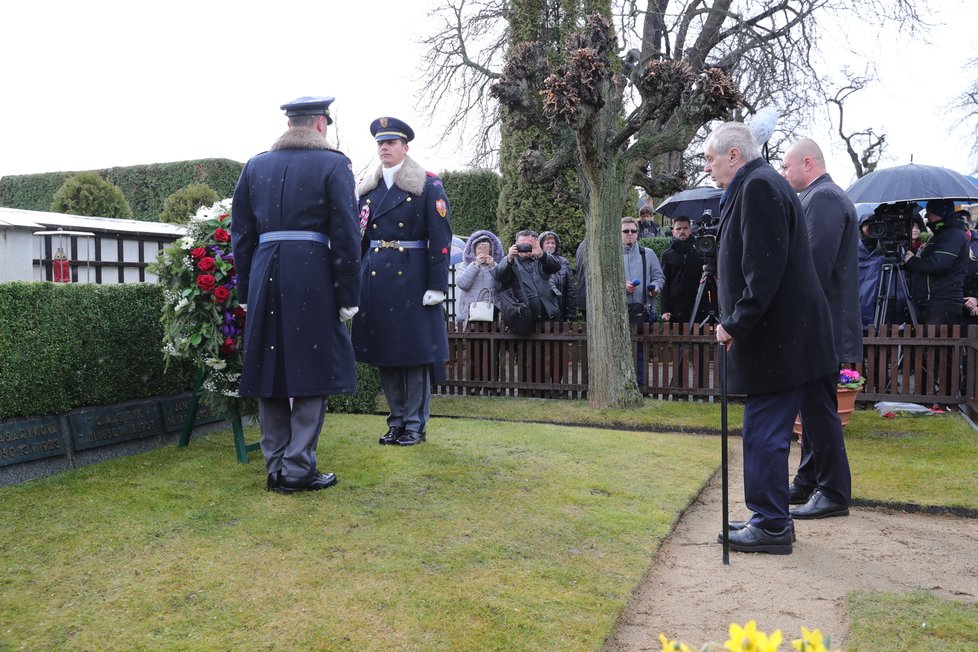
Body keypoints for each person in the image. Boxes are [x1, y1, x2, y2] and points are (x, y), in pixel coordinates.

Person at [705, 121, 839, 555]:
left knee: (762, 431)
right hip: (785, 337)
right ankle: (770, 517)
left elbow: (763, 271)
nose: (707, 166)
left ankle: (772, 524)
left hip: (780, 340)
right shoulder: (757, 184)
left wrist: (735, 323)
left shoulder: (759, 187)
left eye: (710, 157)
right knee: (764, 429)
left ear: (733, 155)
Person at [231, 95, 361, 494]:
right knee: (312, 371)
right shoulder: (334, 164)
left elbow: (242, 234)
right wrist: (348, 293)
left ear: (290, 125)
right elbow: (345, 235)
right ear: (321, 124)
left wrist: (246, 288)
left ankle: (276, 468)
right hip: (312, 277)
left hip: (265, 273)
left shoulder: (256, 165)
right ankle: (299, 467)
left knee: (269, 372)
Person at [352, 117, 453, 447]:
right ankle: (395, 422)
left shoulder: (426, 184)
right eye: (380, 143)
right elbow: (359, 239)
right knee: (386, 355)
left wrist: (437, 285)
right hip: (376, 281)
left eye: (391, 142)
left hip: (413, 279)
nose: (384, 147)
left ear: (405, 147)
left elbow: (440, 236)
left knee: (413, 357)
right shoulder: (367, 188)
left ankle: (414, 425)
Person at [779, 138, 860, 510]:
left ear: (807, 163)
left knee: (819, 410)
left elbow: (813, 266)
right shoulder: (822, 196)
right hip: (821, 323)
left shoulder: (824, 198)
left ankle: (833, 492)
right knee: (813, 409)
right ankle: (809, 480)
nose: (783, 173)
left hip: (821, 325)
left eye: (786, 166)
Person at [902, 199, 971, 326]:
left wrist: (912, 261)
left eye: (929, 212)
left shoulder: (953, 234)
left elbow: (938, 264)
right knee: (926, 344)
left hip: (942, 303)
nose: (927, 216)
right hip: (933, 302)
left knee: (937, 344)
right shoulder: (942, 234)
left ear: (938, 213)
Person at [493, 230, 561, 324]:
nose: (525, 247)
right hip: (524, 318)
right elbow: (498, 276)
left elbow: (556, 267)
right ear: (515, 244)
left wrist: (541, 254)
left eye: (528, 245)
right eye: (522, 245)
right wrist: (509, 258)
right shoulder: (511, 262)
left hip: (548, 316)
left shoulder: (541, 259)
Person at [659, 216, 711, 326]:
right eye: (678, 229)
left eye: (685, 228)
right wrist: (665, 309)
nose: (682, 231)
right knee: (679, 342)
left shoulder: (701, 253)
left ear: (690, 230)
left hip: (699, 304)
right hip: (676, 308)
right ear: (673, 232)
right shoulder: (667, 255)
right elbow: (664, 283)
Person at [455, 230, 504, 324]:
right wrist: (475, 265)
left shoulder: (497, 265)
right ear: (473, 250)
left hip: (493, 314)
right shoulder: (465, 265)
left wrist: (493, 267)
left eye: (486, 247)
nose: (482, 250)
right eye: (479, 248)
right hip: (469, 315)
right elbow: (462, 284)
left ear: (491, 249)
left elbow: (502, 286)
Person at [539, 230, 577, 321]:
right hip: (540, 313)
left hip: (559, 312)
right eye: (547, 243)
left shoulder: (563, 262)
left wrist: (570, 313)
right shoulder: (535, 261)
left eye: (553, 243)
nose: (550, 246)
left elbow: (570, 289)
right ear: (541, 245)